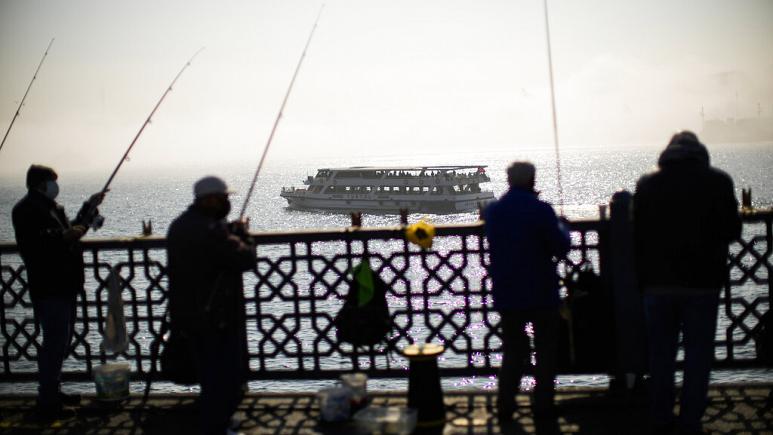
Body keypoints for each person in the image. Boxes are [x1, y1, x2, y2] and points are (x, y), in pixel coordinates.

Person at [634, 131, 741, 434]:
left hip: (657, 284)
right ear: (701, 154)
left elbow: (637, 236)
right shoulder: (718, 181)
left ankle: (660, 417)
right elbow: (732, 230)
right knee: (698, 355)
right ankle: (690, 419)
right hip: (702, 284)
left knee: (660, 355)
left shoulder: (647, 184)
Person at [12, 164, 105, 418]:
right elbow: (34, 245)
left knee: (60, 342)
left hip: (64, 283)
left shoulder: (54, 208)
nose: (56, 186)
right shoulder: (24, 210)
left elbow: (70, 230)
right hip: (49, 285)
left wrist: (89, 206)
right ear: (41, 184)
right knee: (54, 343)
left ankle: (52, 391)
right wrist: (64, 237)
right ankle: (48, 402)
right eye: (52, 181)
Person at [484, 161, 570, 434]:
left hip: (508, 293)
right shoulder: (541, 210)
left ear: (508, 181)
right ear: (532, 180)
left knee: (513, 350)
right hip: (542, 292)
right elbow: (560, 246)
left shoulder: (494, 212)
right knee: (545, 349)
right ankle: (543, 405)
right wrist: (563, 227)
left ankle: (505, 404)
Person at [167, 176, 256, 435]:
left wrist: (229, 233)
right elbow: (244, 259)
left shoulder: (179, 226)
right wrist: (244, 236)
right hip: (214, 314)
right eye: (224, 198)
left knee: (208, 372)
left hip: (186, 312)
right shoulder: (211, 230)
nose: (227, 202)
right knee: (222, 374)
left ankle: (215, 421)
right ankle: (217, 425)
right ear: (211, 199)